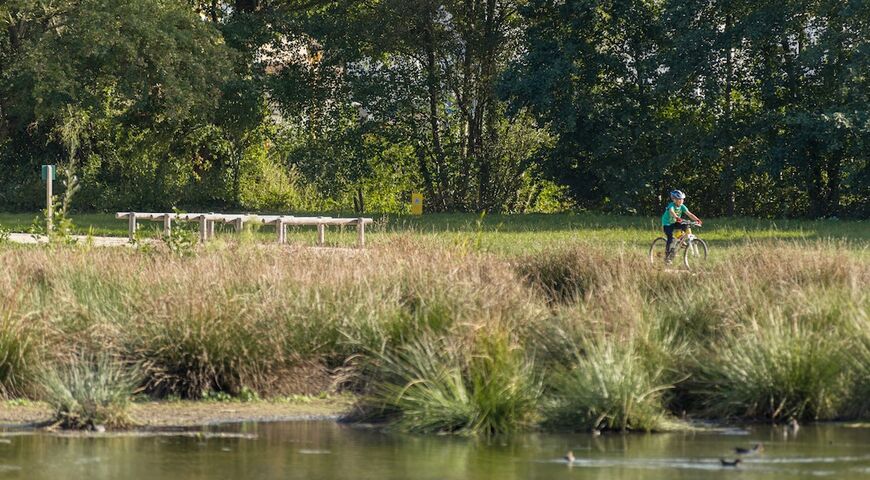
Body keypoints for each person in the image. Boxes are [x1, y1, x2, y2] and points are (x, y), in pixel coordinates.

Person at [661, 190, 702, 261]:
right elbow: (671, 211)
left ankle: (681, 240)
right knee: (670, 239)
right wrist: (677, 217)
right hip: (667, 224)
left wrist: (697, 220)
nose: (681, 201)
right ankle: (667, 256)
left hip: (675, 222)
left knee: (686, 225)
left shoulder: (682, 206)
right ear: (674, 200)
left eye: (682, 199)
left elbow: (689, 214)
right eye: (679, 199)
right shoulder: (671, 205)